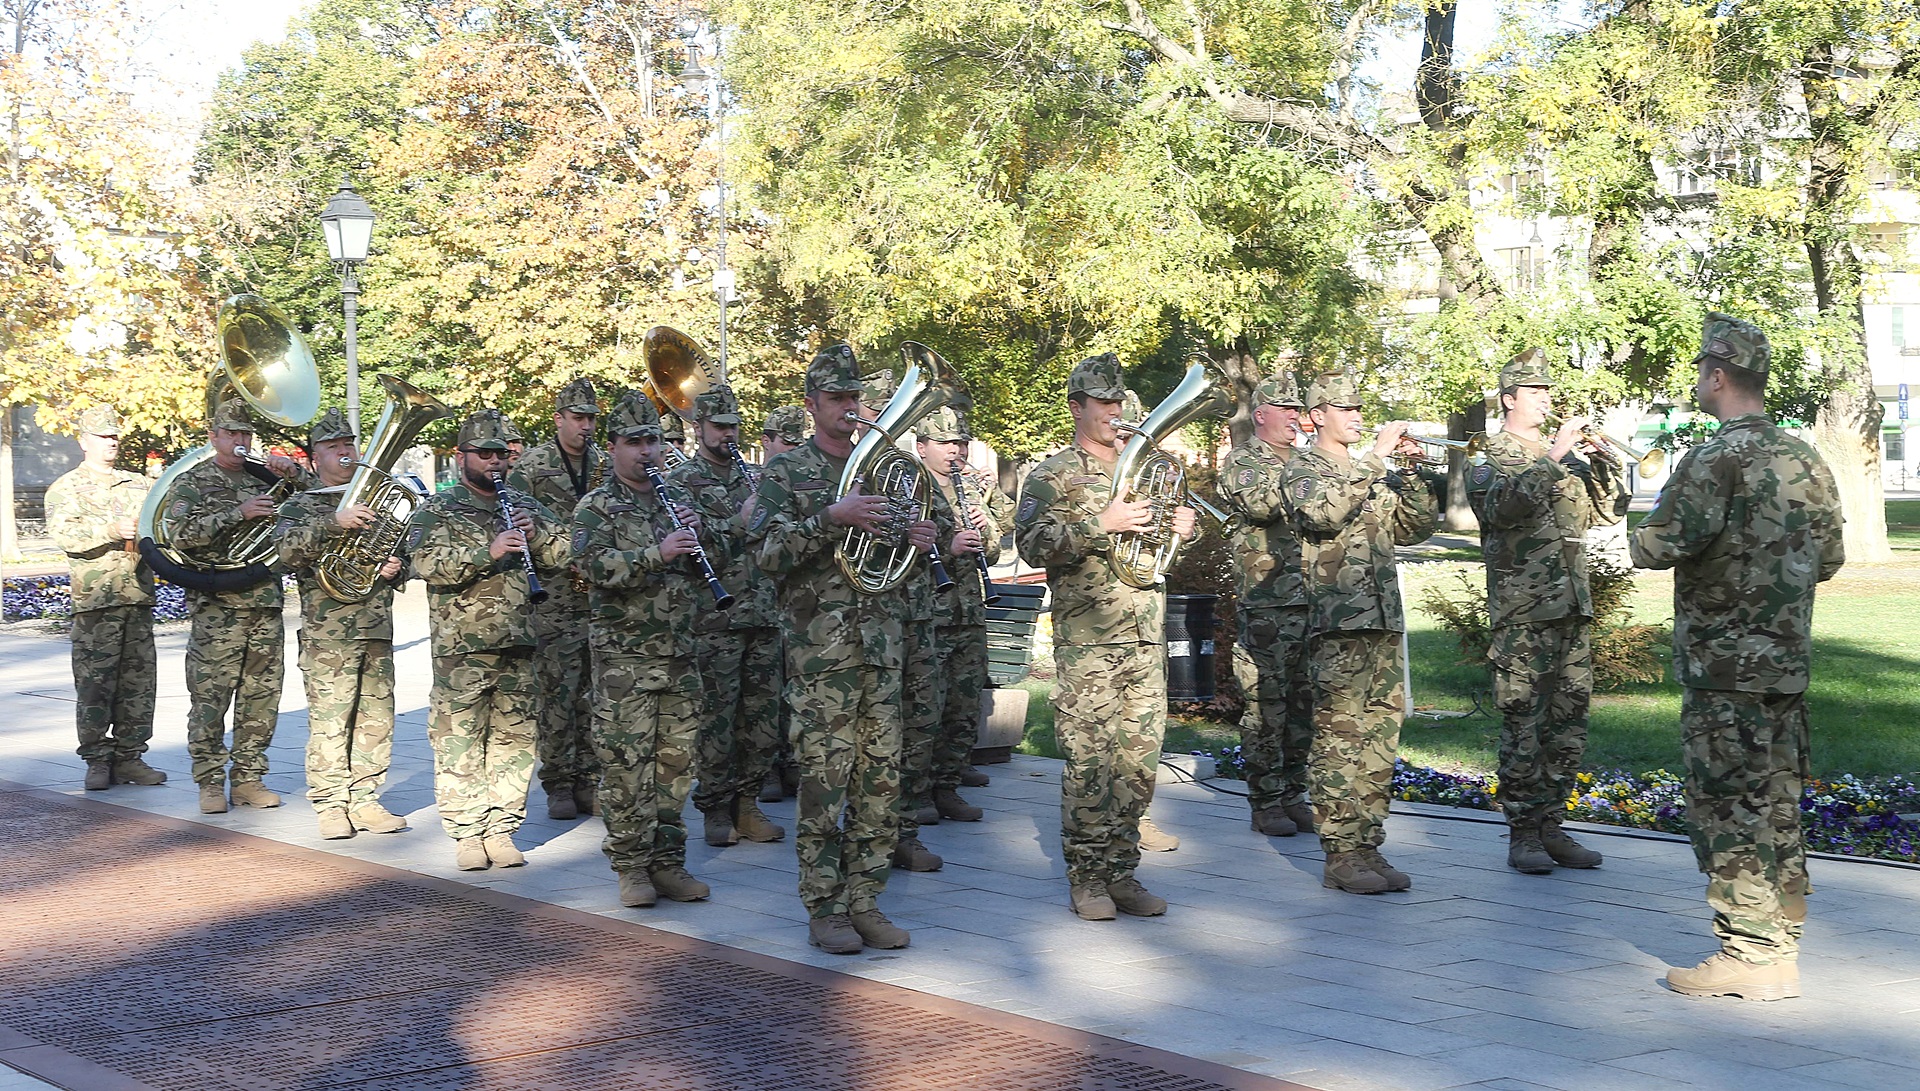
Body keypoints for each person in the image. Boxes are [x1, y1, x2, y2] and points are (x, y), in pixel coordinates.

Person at [1629, 313, 1844, 1002]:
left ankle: (1746, 953)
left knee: (1728, 806)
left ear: (1718, 376)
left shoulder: (1713, 458)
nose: (1698, 382)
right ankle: (1778, 948)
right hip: (1785, 665)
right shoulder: (1805, 459)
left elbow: (1657, 544)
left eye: (1700, 372)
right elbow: (1831, 557)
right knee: (1778, 801)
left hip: (1725, 673)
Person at [748, 343, 930, 954]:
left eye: (856, 397)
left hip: (882, 645)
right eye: (837, 399)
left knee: (880, 781)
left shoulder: (884, 467)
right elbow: (764, 555)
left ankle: (866, 900)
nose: (850, 408)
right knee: (826, 782)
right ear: (811, 406)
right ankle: (825, 907)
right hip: (822, 656)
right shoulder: (787, 472)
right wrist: (830, 517)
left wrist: (918, 537)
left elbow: (894, 557)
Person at [1015, 353, 1193, 922]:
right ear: (1077, 407)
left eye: (1119, 402)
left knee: (1138, 764)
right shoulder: (1052, 474)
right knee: (1090, 764)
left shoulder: (1141, 469)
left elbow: (1155, 555)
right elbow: (1032, 544)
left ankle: (1122, 873)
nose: (1116, 412)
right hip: (1089, 641)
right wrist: (1102, 524)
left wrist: (1179, 530)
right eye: (1104, 403)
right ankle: (1087, 877)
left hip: (1144, 637)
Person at [1467, 349, 1630, 874]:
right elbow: (1502, 509)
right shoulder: (1487, 455)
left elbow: (1607, 511)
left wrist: (1606, 464)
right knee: (1524, 720)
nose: (1545, 401)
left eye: (1547, 392)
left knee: (1568, 721)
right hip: (1523, 612)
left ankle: (1552, 824)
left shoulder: (1565, 456)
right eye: (1534, 392)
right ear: (1509, 398)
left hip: (1571, 607)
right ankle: (1523, 833)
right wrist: (1553, 455)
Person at [1280, 371, 1436, 895]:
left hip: (1383, 621)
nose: (1355, 416)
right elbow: (1322, 514)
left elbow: (1413, 528)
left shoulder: (1374, 475)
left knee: (1379, 739)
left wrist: (1413, 475)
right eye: (1343, 409)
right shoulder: (1305, 469)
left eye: (1358, 409)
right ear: (1317, 416)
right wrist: (1373, 459)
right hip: (1338, 626)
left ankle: (1368, 844)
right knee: (1339, 740)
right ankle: (1340, 854)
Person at [406, 410, 569, 871]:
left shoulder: (523, 503)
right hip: (463, 648)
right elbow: (425, 563)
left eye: (501, 453)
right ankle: (467, 831)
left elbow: (568, 555)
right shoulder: (438, 509)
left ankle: (502, 829)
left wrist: (538, 537)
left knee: (515, 741)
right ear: (462, 458)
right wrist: (487, 550)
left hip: (520, 641)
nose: (495, 461)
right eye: (484, 453)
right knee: (458, 739)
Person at [572, 391, 714, 907]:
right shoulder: (596, 506)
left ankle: (669, 864)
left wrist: (702, 537)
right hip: (624, 663)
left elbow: (711, 560)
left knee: (675, 769)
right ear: (612, 447)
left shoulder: (676, 499)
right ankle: (631, 867)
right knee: (625, 769)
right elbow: (591, 569)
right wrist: (657, 553)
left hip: (680, 656)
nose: (647, 451)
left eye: (653, 440)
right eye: (634, 442)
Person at [166, 395, 312, 814]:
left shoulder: (261, 477)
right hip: (218, 608)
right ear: (214, 437)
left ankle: (248, 778)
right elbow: (179, 535)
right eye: (231, 433)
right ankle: (210, 781)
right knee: (210, 700)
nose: (240, 440)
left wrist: (294, 473)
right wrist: (237, 513)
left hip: (264, 603)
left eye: (245, 432)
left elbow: (316, 501)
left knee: (261, 700)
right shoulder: (192, 482)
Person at [273, 408, 411, 840]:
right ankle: (331, 803)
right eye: (333, 448)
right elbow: (286, 553)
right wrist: (334, 523)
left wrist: (397, 567)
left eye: (349, 445)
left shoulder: (374, 499)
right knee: (331, 721)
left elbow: (407, 551)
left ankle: (366, 799)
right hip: (327, 634)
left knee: (376, 718)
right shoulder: (301, 504)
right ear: (315, 457)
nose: (345, 453)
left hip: (375, 629)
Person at [671, 384, 785, 848]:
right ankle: (715, 807)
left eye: (734, 426)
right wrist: (741, 520)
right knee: (717, 719)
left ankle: (747, 802)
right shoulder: (680, 482)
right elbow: (692, 545)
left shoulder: (757, 477)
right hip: (715, 617)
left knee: (762, 719)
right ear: (697, 428)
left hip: (765, 613)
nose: (728, 435)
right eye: (719, 427)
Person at [858, 369, 951, 873]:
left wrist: (931, 532)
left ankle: (905, 831)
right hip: (866, 626)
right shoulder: (847, 473)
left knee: (918, 726)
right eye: (876, 409)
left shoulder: (908, 473)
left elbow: (947, 530)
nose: (879, 419)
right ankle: (866, 838)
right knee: (871, 740)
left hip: (916, 617)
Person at [43, 405, 163, 791]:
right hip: (97, 603)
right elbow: (66, 536)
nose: (110, 443)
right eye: (102, 437)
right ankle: (97, 759)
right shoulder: (66, 488)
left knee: (139, 684)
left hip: (137, 597)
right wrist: (110, 528)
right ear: (84, 441)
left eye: (114, 437)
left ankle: (130, 757)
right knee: (95, 685)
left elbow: (160, 524)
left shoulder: (138, 484)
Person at [1217, 373, 1316, 837]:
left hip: (1314, 598)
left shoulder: (1307, 459)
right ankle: (1265, 801)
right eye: (1287, 409)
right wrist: (1309, 478)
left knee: (1305, 705)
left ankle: (1295, 793)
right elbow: (1260, 505)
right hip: (1269, 601)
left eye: (1299, 408)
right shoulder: (1243, 460)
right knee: (1266, 707)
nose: (1296, 416)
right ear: (1261, 414)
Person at [506, 378, 610, 821]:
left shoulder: (604, 463)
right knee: (557, 694)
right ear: (559, 419)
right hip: (553, 596)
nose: (586, 427)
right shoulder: (530, 465)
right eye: (579, 418)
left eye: (591, 419)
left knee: (595, 693)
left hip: (598, 598)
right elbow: (511, 519)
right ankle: (558, 782)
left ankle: (589, 778)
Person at [918, 406, 1012, 810]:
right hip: (928, 613)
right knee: (925, 707)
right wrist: (946, 545)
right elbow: (898, 546)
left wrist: (983, 530)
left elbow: (992, 544)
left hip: (968, 612)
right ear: (922, 447)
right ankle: (917, 793)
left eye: (959, 442)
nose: (954, 450)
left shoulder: (969, 487)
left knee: (963, 704)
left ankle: (947, 786)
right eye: (945, 442)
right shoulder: (910, 485)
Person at [754, 403, 808, 803]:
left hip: (798, 605)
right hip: (752, 604)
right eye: (783, 442)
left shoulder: (799, 478)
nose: (791, 449)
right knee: (764, 693)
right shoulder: (757, 481)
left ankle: (792, 762)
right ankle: (767, 768)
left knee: (796, 689)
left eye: (796, 442)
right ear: (766, 441)